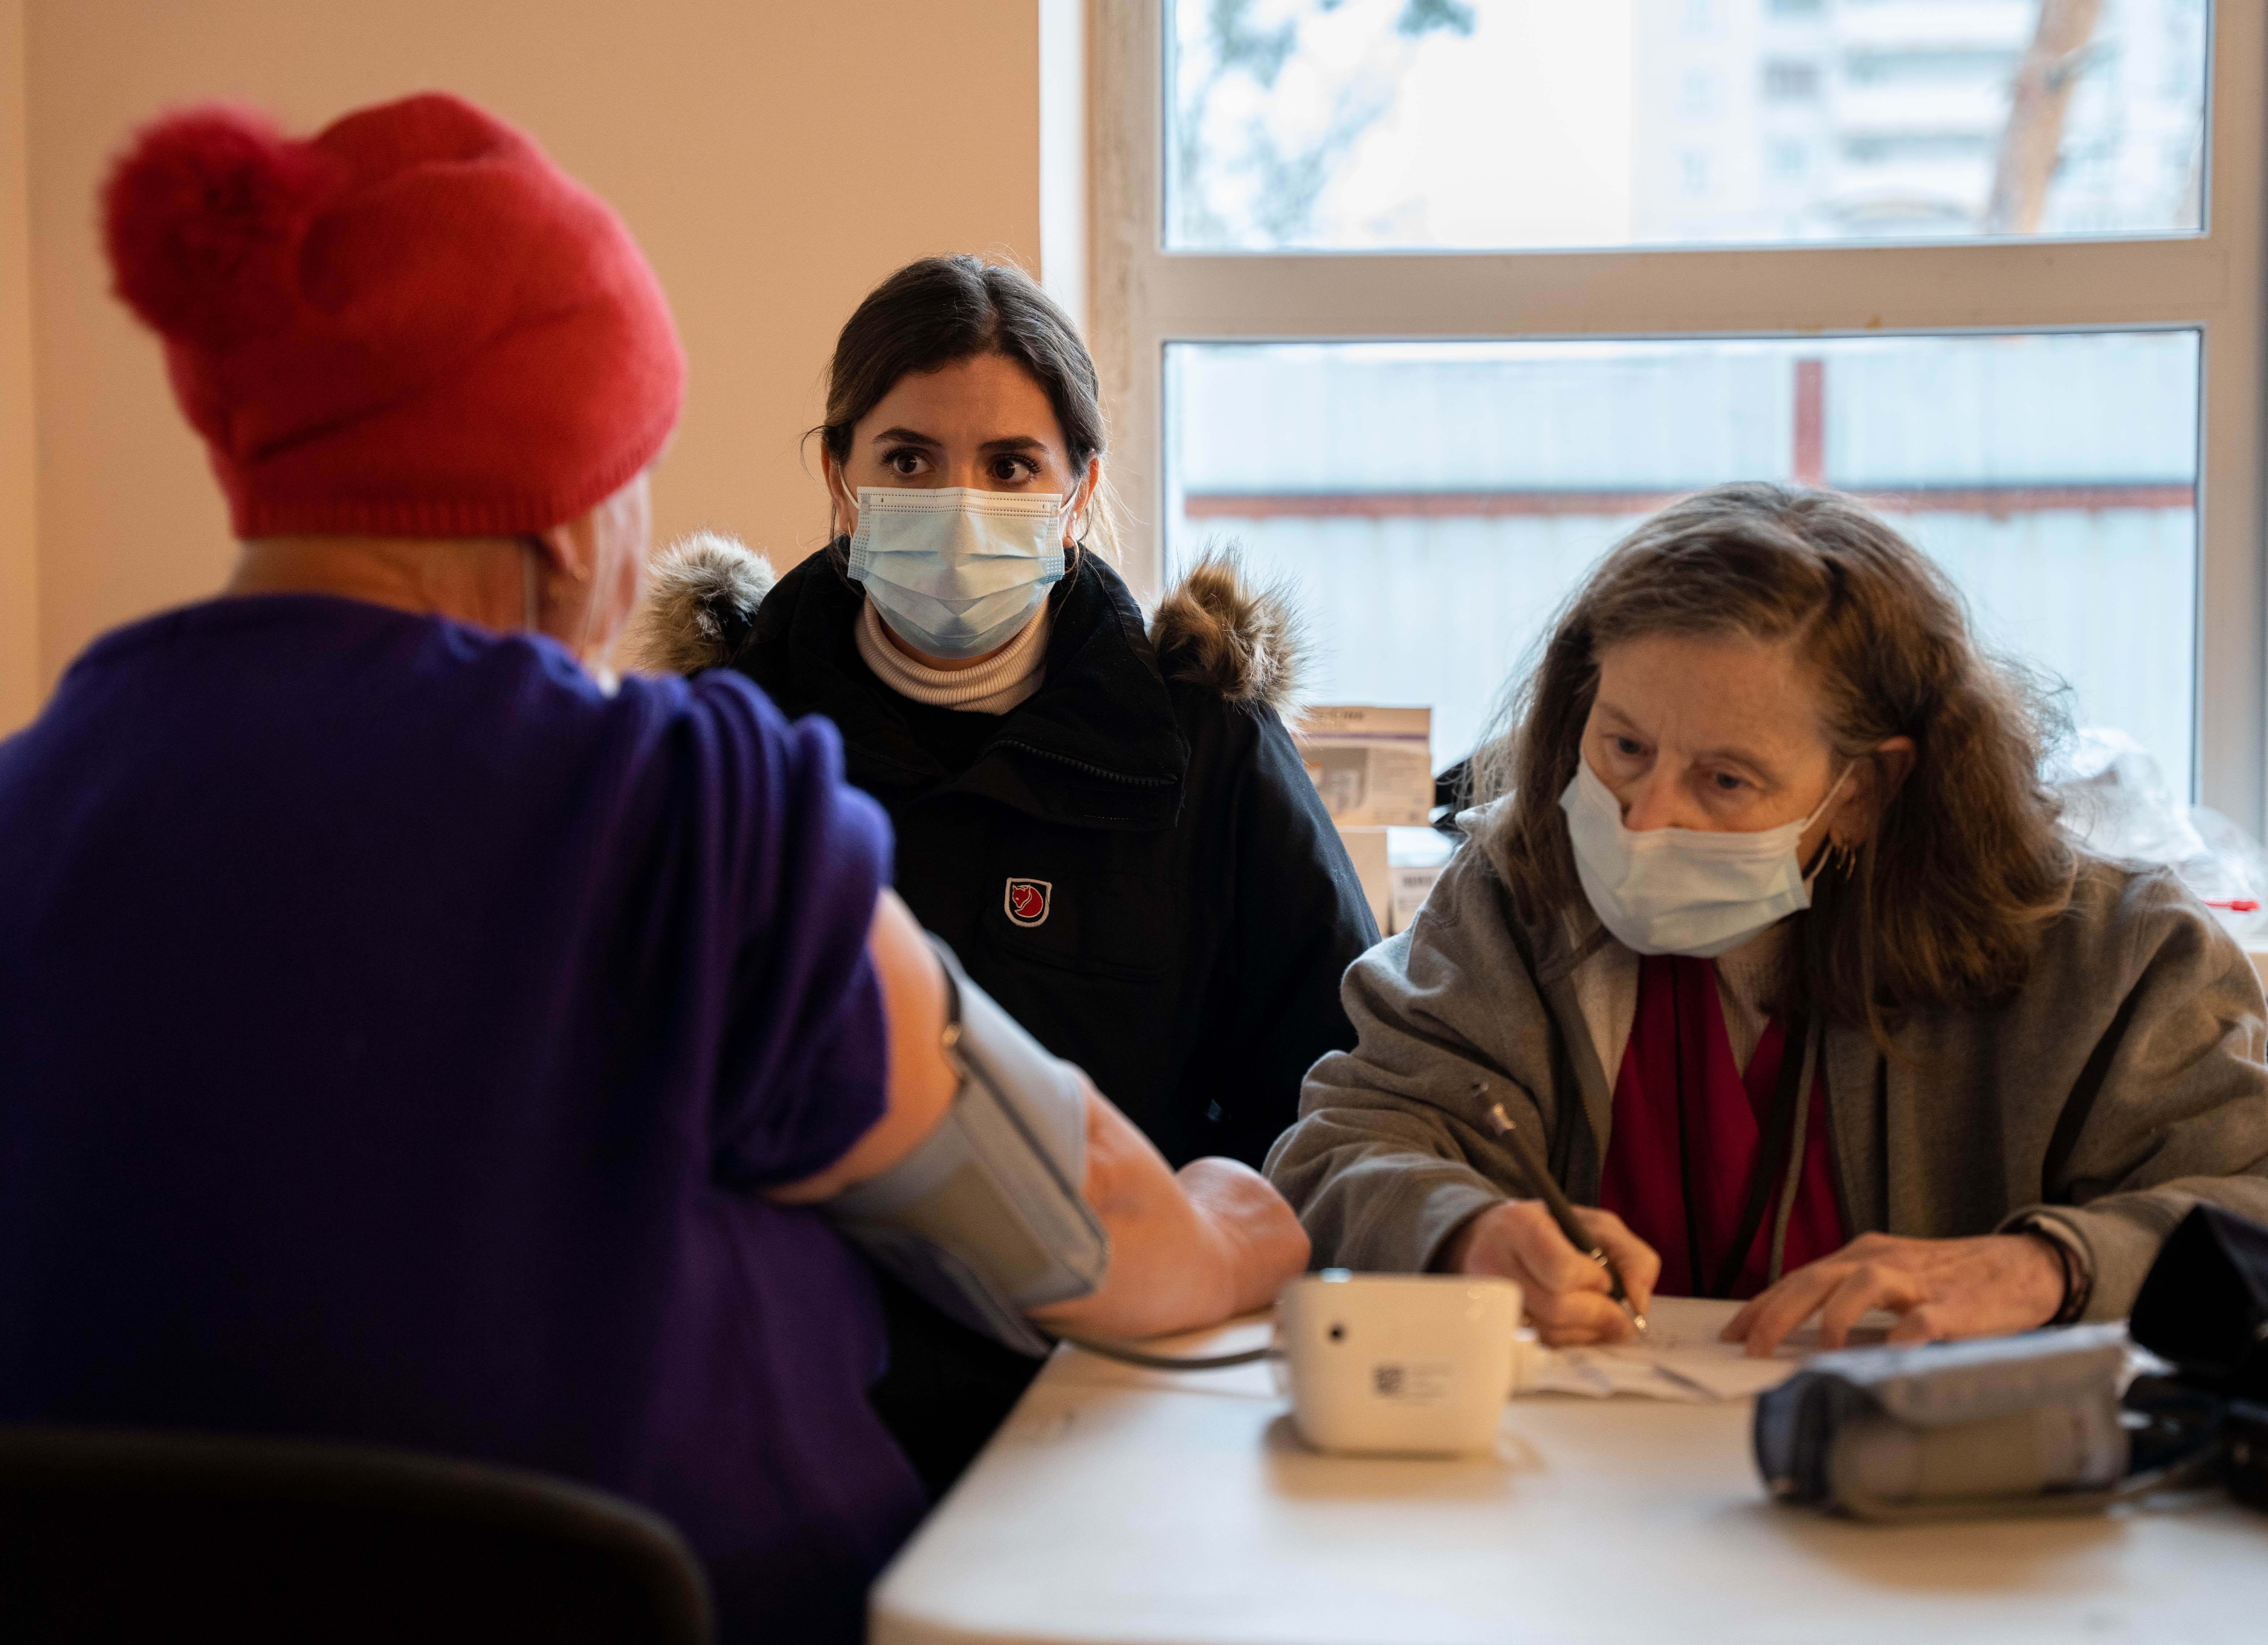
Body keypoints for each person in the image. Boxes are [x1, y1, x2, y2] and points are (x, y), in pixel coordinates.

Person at [0, 94, 1305, 1644]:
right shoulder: (682, 805)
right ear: (566, 519)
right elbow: (1075, 1212)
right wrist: (1237, 1222)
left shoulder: (35, 796)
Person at [1267, 483, 2268, 1356]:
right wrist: (1459, 1229)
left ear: (1863, 788)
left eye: (1723, 781)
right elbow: (1332, 1151)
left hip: (1957, 1521)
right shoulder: (1521, 887)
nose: (1640, 814)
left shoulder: (2106, 951)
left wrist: (2044, 1268)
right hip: (1590, 1488)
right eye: (1621, 747)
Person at [627, 254, 1380, 1489]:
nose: (959, 501)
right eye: (910, 459)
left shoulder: (1204, 747)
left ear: (1077, 490)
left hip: (1118, 1387)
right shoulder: (728, 747)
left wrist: (1198, 1262)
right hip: (781, 1395)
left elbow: (1328, 1081)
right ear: (840, 476)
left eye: (1010, 466)